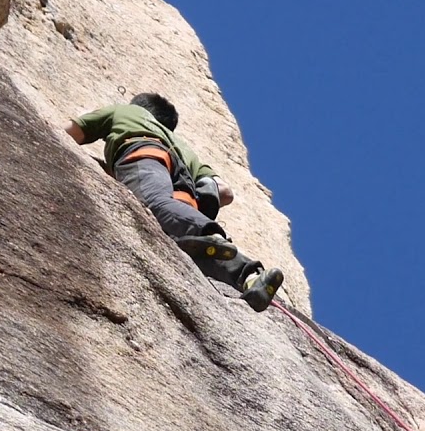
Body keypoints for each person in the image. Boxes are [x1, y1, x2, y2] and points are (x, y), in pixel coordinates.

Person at [65, 93, 284, 312]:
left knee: (155, 203)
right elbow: (225, 192)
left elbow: (73, 132)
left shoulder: (125, 111)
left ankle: (206, 231)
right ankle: (250, 277)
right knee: (190, 244)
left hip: (145, 153)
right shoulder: (182, 145)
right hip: (186, 189)